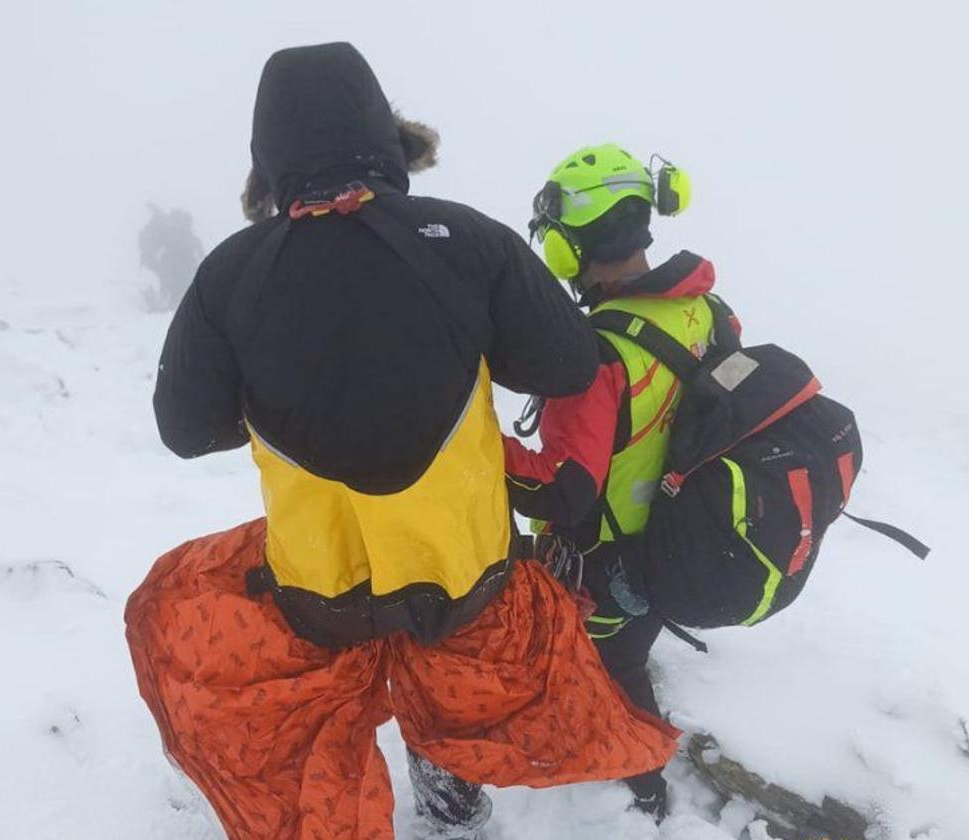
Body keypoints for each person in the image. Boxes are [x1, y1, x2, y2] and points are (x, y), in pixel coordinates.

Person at [125, 48, 678, 840]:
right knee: (447, 682)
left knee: (285, 685)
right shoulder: (468, 240)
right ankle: (453, 816)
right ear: (386, 137)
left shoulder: (229, 274)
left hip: (318, 587)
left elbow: (183, 430)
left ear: (268, 159)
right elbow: (567, 363)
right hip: (465, 574)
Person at [505, 142, 739, 820]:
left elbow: (561, 490)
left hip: (609, 563)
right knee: (626, 652)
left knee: (617, 667)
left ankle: (643, 785)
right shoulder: (706, 311)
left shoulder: (596, 353)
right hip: (685, 535)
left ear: (568, 252)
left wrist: (477, 454)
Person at [138, 202, 204, 310]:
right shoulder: (190, 240)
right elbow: (202, 260)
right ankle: (166, 302)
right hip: (180, 276)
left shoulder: (170, 237)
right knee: (175, 293)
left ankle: (163, 302)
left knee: (171, 290)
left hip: (172, 275)